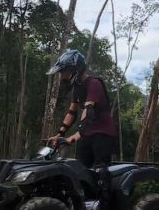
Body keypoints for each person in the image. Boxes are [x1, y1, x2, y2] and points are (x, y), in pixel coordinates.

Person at [46, 49, 117, 209]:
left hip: (103, 133)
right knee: (82, 171)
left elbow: (89, 113)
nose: (62, 75)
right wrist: (60, 134)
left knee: (100, 170)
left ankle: (105, 206)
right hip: (88, 133)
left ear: (74, 70)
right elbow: (72, 112)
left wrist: (77, 134)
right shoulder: (78, 87)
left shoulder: (94, 84)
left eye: (63, 71)